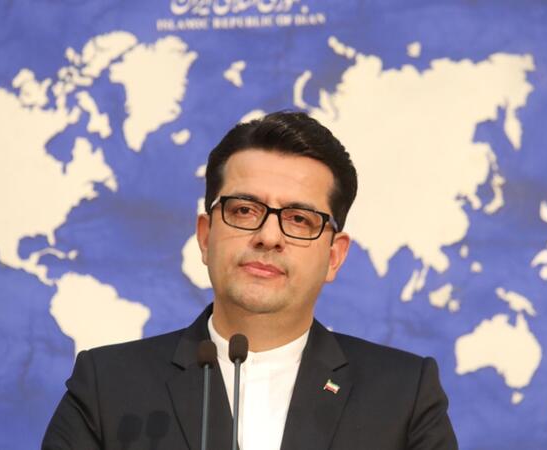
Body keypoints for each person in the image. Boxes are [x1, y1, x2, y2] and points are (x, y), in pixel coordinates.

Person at [42, 111, 458, 449]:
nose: (268, 236)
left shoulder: (402, 394)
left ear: (334, 256)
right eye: (244, 210)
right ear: (205, 236)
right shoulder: (108, 385)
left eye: (299, 219)